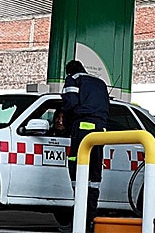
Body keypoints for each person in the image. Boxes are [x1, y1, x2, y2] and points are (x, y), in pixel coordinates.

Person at [60, 60, 109, 233]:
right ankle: (90, 222)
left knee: (77, 171)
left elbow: (70, 103)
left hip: (82, 129)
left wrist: (66, 123)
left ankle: (78, 222)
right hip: (100, 130)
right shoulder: (99, 82)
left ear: (68, 72)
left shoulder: (73, 80)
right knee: (94, 176)